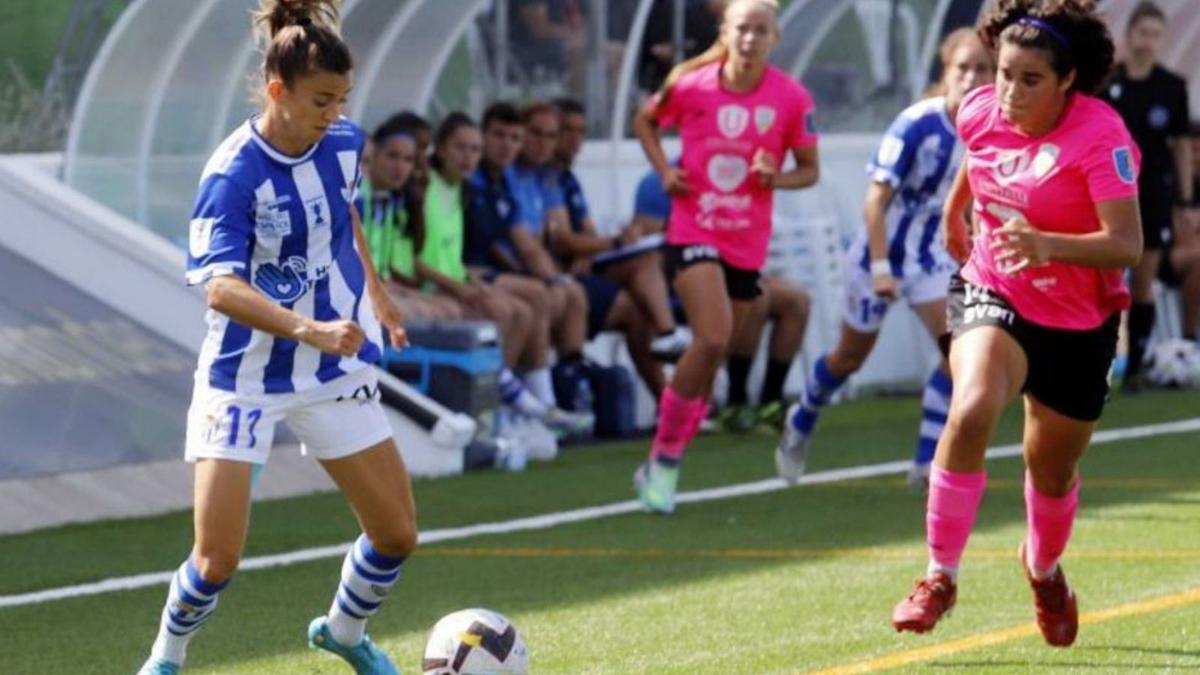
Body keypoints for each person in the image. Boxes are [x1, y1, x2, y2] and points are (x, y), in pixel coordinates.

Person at [137, 2, 415, 673]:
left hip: (332, 374)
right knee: (217, 558)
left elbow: (343, 216)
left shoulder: (345, 144)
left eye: (342, 99)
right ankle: (166, 658)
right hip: (246, 379)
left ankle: (345, 632)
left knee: (397, 534)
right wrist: (309, 327)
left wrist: (377, 294)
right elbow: (219, 287)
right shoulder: (232, 175)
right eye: (321, 99)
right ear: (276, 90)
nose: (334, 113)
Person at [890, 0, 1143, 648]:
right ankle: (939, 575)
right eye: (1003, 73)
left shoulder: (1102, 135)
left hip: (1077, 319)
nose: (1009, 91)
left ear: (1066, 81)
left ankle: (1043, 568)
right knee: (971, 404)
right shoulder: (981, 109)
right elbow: (979, 155)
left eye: (1030, 80)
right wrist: (956, 209)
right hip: (995, 286)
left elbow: (1125, 244)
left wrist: (1050, 244)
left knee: (1051, 471)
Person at [776, 29, 995, 488]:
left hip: (934, 261)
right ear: (946, 72)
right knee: (848, 358)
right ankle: (802, 417)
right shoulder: (917, 123)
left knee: (962, 354)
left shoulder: (991, 130)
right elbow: (875, 202)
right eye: (963, 68)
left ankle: (925, 464)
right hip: (881, 257)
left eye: (982, 69)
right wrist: (880, 269)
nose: (972, 78)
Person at [631, 0, 819, 513]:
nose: (751, 39)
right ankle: (664, 462)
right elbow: (645, 120)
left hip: (746, 241)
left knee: (714, 351)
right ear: (725, 32)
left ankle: (666, 458)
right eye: (742, 29)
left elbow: (809, 169)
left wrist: (772, 177)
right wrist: (665, 174)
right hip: (693, 229)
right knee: (712, 334)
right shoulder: (693, 85)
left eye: (761, 31)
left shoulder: (790, 97)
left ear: (775, 38)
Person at [416, 111, 586, 447]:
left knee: (525, 306)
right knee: (507, 310)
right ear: (442, 149)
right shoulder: (427, 189)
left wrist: (467, 281)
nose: (468, 157)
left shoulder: (458, 188)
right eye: (461, 148)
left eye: (473, 150)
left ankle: (524, 406)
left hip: (456, 280)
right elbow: (415, 260)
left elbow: (451, 254)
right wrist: (460, 285)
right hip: (433, 288)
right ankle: (500, 409)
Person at [629, 166, 810, 430]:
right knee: (753, 296)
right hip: (684, 275)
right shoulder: (658, 180)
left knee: (796, 300)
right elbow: (651, 247)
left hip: (730, 267)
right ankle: (735, 400)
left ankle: (771, 401)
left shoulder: (734, 173)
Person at [466, 101, 594, 432]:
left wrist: (553, 278)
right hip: (465, 275)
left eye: (513, 137)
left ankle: (542, 404)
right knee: (526, 302)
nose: (506, 145)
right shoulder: (471, 181)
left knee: (551, 294)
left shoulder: (502, 183)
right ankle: (503, 405)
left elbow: (519, 239)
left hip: (484, 274)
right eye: (498, 136)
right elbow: (498, 245)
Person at [1100, 1, 1194, 391]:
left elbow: (1181, 146)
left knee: (1142, 283)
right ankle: (1097, 366)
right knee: (1101, 282)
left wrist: (1185, 201)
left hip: (1153, 194)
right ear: (1129, 34)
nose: (1148, 41)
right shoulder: (1109, 84)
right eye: (1143, 32)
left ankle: (1136, 367)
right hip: (1107, 195)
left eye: (1156, 34)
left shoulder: (1172, 88)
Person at [358, 115, 462, 321]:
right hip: (356, 291)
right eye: (392, 156)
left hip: (378, 286)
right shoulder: (360, 199)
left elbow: (383, 272)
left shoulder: (391, 202)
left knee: (447, 309)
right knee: (425, 312)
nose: (400, 167)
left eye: (408, 160)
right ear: (374, 155)